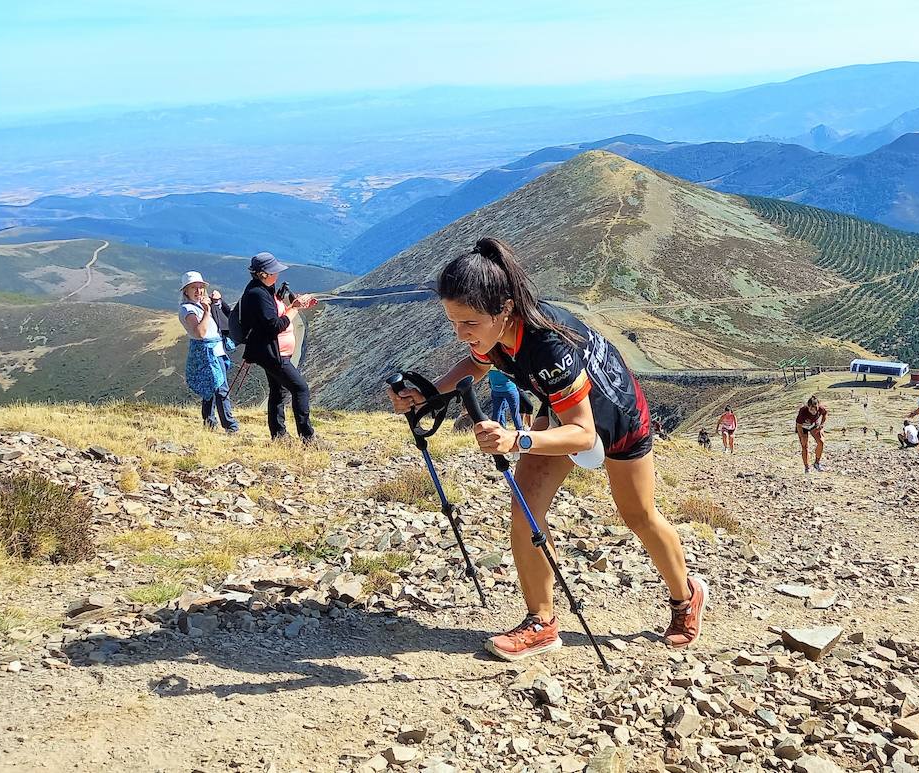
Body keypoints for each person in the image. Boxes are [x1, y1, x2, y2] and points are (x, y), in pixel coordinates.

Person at [385, 237, 707, 661]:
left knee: (639, 516)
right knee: (525, 510)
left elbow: (583, 435)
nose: (461, 333)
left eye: (469, 323)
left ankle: (686, 597)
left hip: (618, 418)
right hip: (562, 410)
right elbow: (478, 364)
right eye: (453, 322)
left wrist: (516, 438)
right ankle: (541, 623)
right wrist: (428, 395)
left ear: (504, 308)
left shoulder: (548, 344)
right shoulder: (495, 330)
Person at [238, 252, 318, 444]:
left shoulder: (264, 289)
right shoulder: (257, 294)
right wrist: (295, 308)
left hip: (274, 352)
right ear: (263, 273)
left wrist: (294, 304)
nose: (277, 274)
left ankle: (279, 436)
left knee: (278, 391)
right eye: (274, 271)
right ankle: (308, 437)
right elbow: (274, 326)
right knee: (300, 389)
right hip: (272, 354)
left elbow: (276, 314)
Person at [178, 272, 239, 433]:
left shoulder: (202, 305)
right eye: (194, 288)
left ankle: (209, 423)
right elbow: (200, 333)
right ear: (186, 291)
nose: (198, 291)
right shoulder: (187, 309)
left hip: (216, 349)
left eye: (200, 287)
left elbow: (222, 322)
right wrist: (206, 311)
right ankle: (230, 426)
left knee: (211, 387)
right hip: (206, 352)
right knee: (220, 387)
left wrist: (216, 304)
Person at [795, 395, 828, 472]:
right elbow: (798, 425)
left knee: (821, 442)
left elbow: (825, 414)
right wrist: (802, 436)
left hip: (813, 425)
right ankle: (807, 468)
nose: (813, 411)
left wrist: (822, 424)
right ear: (808, 406)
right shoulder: (803, 411)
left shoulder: (821, 408)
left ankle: (817, 463)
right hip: (803, 427)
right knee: (804, 446)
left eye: (815, 409)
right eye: (811, 409)